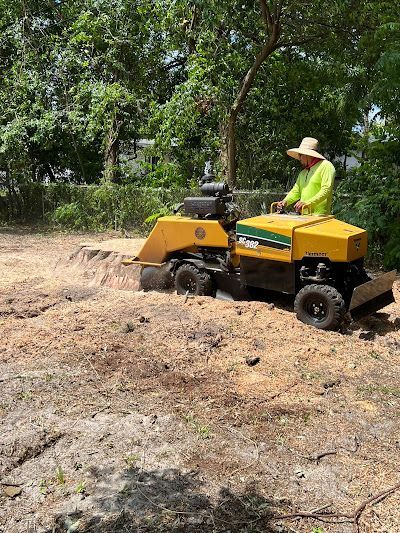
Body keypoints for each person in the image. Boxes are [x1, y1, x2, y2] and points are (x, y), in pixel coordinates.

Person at [277, 137, 335, 215]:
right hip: (303, 217)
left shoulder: (326, 166)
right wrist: (285, 201)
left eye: (300, 155)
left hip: (320, 217)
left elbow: (326, 190)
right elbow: (296, 191)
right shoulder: (303, 173)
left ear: (307, 155)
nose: (299, 159)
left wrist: (308, 203)